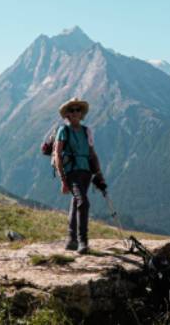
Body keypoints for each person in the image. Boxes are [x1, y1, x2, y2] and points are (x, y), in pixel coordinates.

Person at [53, 97, 105, 254]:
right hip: (72, 171)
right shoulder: (64, 130)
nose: (75, 112)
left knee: (76, 202)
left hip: (86, 171)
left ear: (81, 113)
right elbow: (57, 154)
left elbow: (92, 153)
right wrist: (63, 179)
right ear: (67, 115)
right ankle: (83, 241)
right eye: (72, 110)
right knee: (83, 202)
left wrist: (98, 173)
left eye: (78, 110)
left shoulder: (86, 131)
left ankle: (71, 240)